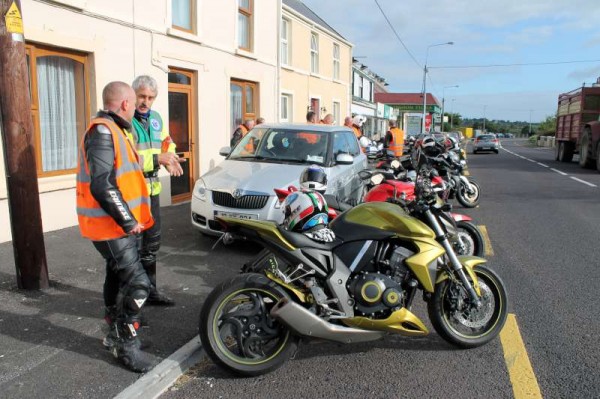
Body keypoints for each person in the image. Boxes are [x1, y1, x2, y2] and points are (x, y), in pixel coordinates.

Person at [76, 81, 155, 372]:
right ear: (124, 104)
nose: (136, 108)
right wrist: (128, 220)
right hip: (109, 226)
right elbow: (102, 184)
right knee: (138, 284)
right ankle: (125, 343)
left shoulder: (117, 130)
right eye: (134, 103)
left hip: (115, 225)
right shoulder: (102, 131)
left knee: (116, 275)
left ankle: (113, 332)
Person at [131, 75, 183, 307]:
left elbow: (167, 141)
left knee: (152, 244)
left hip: (152, 192)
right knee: (132, 249)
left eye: (150, 98)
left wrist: (169, 156)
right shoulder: (125, 120)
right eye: (142, 96)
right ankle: (133, 299)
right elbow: (128, 159)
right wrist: (157, 158)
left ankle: (150, 292)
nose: (145, 101)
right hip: (132, 193)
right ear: (133, 95)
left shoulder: (156, 118)